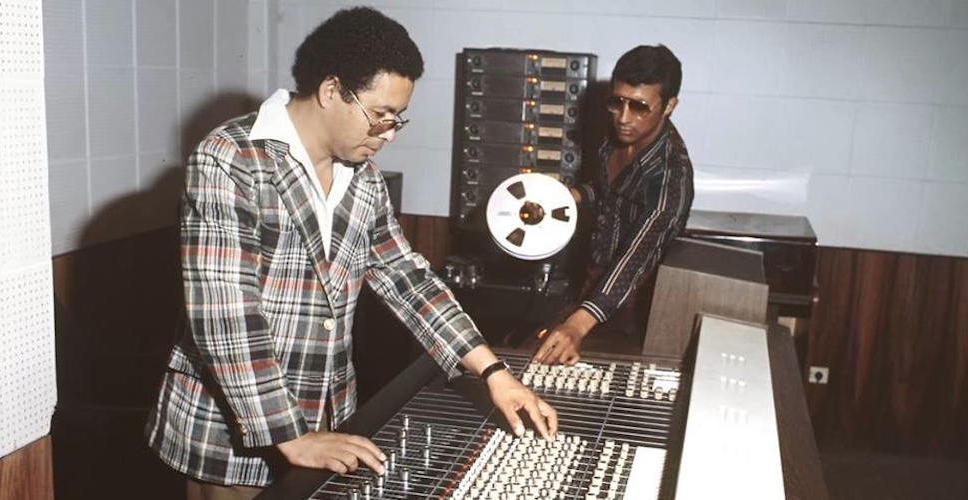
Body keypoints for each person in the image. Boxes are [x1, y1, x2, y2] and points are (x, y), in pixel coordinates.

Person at [146, 7, 557, 499]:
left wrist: (493, 373)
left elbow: (410, 281)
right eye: (379, 116)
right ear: (330, 90)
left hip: (327, 419)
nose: (388, 134)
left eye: (396, 119)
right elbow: (225, 313)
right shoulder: (230, 159)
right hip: (232, 435)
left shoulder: (365, 183)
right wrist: (290, 434)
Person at [533, 45, 695, 365]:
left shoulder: (671, 175)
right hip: (592, 284)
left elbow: (636, 257)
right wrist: (569, 197)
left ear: (669, 106)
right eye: (616, 102)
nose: (623, 118)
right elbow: (609, 190)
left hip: (636, 308)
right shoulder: (618, 134)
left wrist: (578, 325)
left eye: (639, 107)